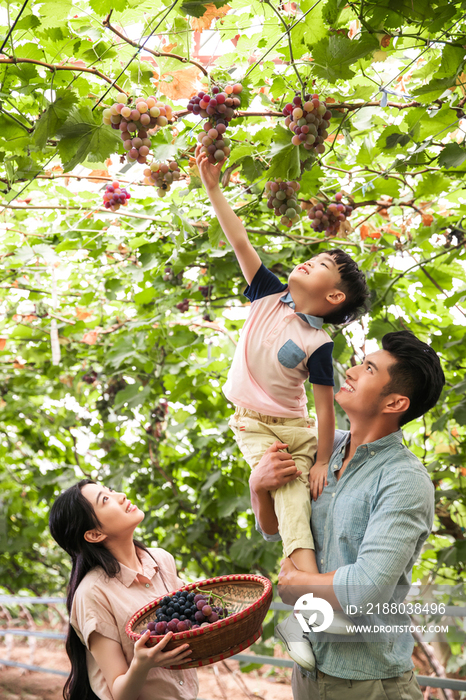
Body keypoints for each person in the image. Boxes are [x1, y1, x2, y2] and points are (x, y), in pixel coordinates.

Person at [195, 144, 368, 581]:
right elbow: (239, 239)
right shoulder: (268, 292)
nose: (312, 260)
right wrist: (214, 190)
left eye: (324, 264)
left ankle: (305, 578)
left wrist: (320, 460)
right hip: (250, 424)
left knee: (296, 490)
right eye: (316, 257)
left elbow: (325, 409)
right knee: (285, 491)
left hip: (293, 427)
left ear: (334, 297)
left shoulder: (318, 342)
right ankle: (307, 580)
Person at [249, 330, 445, 700]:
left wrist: (297, 586)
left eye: (369, 369)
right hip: (308, 671)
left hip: (368, 683)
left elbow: (366, 588)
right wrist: (259, 486)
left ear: (395, 403)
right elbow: (275, 528)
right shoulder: (325, 448)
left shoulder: (404, 479)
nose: (351, 371)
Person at [49, 479, 198, 700]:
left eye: (109, 491)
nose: (121, 495)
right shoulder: (92, 593)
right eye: (106, 499)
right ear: (94, 534)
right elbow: (119, 693)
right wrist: (141, 664)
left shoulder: (161, 559)